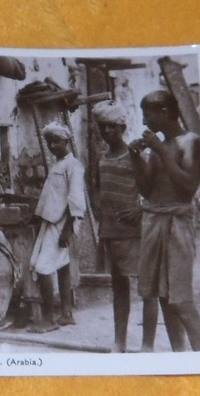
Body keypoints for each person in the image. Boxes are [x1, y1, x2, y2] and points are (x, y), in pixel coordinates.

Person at [132, 91, 200, 352]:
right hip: (155, 222)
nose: (145, 121)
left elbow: (187, 186)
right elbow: (147, 190)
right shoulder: (161, 146)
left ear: (164, 112)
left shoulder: (191, 141)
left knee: (181, 300)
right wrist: (135, 158)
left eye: (148, 115)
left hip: (177, 225)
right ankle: (180, 354)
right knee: (163, 297)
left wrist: (160, 149)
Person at [93, 100, 157, 353]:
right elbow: (97, 186)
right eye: (102, 128)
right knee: (119, 287)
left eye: (110, 127)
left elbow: (151, 190)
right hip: (111, 231)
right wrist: (99, 206)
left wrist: (140, 209)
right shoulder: (101, 158)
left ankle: (147, 345)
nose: (106, 132)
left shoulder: (135, 154)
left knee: (147, 287)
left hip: (135, 231)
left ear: (122, 127)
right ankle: (119, 341)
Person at [27, 121, 86, 333]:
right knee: (61, 266)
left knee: (43, 267)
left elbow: (76, 199)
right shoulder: (57, 165)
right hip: (49, 221)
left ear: (67, 141)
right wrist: (36, 217)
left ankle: (49, 318)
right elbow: (52, 197)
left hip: (62, 223)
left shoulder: (73, 166)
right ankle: (67, 314)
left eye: (57, 142)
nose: (53, 146)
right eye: (49, 142)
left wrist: (68, 229)